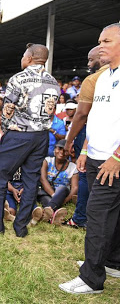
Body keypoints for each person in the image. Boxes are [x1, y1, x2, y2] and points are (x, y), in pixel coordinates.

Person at [0, 43, 60, 237]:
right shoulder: (53, 82)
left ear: (29, 58)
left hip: (19, 134)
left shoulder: (18, 79)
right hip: (41, 136)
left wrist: (6, 131)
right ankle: (21, 227)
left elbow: (7, 109)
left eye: (23, 55)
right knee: (31, 180)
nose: (22, 59)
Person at [59, 23, 120, 294]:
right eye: (100, 40)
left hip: (114, 161)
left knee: (97, 216)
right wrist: (84, 150)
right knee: (111, 216)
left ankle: (91, 279)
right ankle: (111, 262)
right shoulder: (104, 76)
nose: (100, 46)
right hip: (96, 156)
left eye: (106, 41)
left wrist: (117, 156)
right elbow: (95, 118)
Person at [63, 46, 109, 229]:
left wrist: (69, 140)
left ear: (102, 56)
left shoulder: (93, 79)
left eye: (91, 60)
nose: (89, 64)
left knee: (84, 175)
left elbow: (81, 115)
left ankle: (81, 218)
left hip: (92, 132)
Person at [35, 139, 78, 225]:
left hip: (62, 193)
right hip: (46, 192)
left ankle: (47, 213)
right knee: (47, 200)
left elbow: (74, 187)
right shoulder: (47, 161)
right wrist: (54, 196)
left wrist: (64, 200)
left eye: (65, 150)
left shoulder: (73, 167)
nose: (61, 152)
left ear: (69, 153)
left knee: (63, 188)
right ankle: (52, 217)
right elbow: (43, 179)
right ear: (54, 150)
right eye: (59, 149)